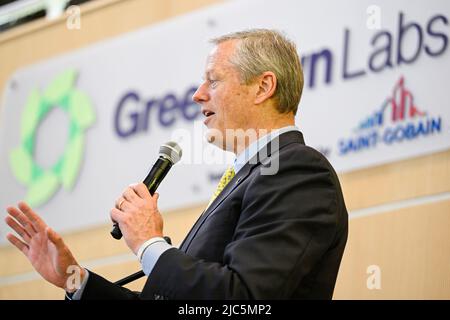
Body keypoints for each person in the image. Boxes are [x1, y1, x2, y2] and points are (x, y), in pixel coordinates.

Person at [4, 29, 348, 299]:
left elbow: (242, 299)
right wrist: (74, 279)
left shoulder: (298, 171)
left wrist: (148, 243)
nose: (198, 94)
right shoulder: (246, 178)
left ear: (263, 86)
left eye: (213, 80)